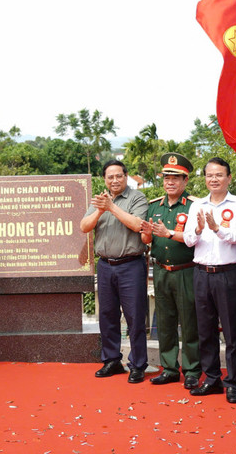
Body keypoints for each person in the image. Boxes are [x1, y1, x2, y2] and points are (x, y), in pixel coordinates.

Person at [183, 157, 236, 403]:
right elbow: (189, 240)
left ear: (229, 178)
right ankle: (212, 378)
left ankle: (233, 383)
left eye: (219, 175)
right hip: (201, 273)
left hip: (227, 274)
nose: (214, 179)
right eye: (210, 175)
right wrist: (200, 229)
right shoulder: (196, 205)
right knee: (205, 330)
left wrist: (216, 227)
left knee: (231, 332)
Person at [81, 160, 149, 383]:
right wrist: (101, 210)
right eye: (110, 177)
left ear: (126, 176)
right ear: (104, 180)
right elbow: (84, 226)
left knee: (135, 317)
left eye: (118, 176)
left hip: (131, 265)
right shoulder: (100, 199)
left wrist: (112, 207)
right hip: (106, 266)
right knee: (107, 316)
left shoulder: (136, 198)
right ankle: (111, 360)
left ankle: (138, 364)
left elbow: (138, 224)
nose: (114, 180)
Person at [139, 153, 200, 389]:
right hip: (161, 270)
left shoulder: (194, 206)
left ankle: (193, 370)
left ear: (185, 181)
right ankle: (170, 368)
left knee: (190, 322)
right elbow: (146, 239)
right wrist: (145, 234)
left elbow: (196, 237)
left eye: (176, 178)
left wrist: (168, 233)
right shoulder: (154, 206)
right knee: (164, 322)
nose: (170, 183)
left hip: (187, 270)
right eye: (166, 178)